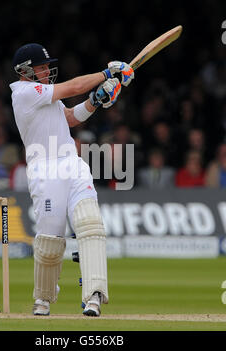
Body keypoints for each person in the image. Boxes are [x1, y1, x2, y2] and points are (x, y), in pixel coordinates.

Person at [9, 43, 134, 316]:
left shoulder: (43, 95)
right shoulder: (24, 93)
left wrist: (95, 101)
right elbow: (74, 87)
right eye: (41, 67)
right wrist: (106, 73)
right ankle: (42, 299)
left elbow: (68, 118)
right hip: (45, 170)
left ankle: (94, 297)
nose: (46, 70)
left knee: (91, 225)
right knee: (51, 242)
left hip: (72, 165)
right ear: (25, 71)